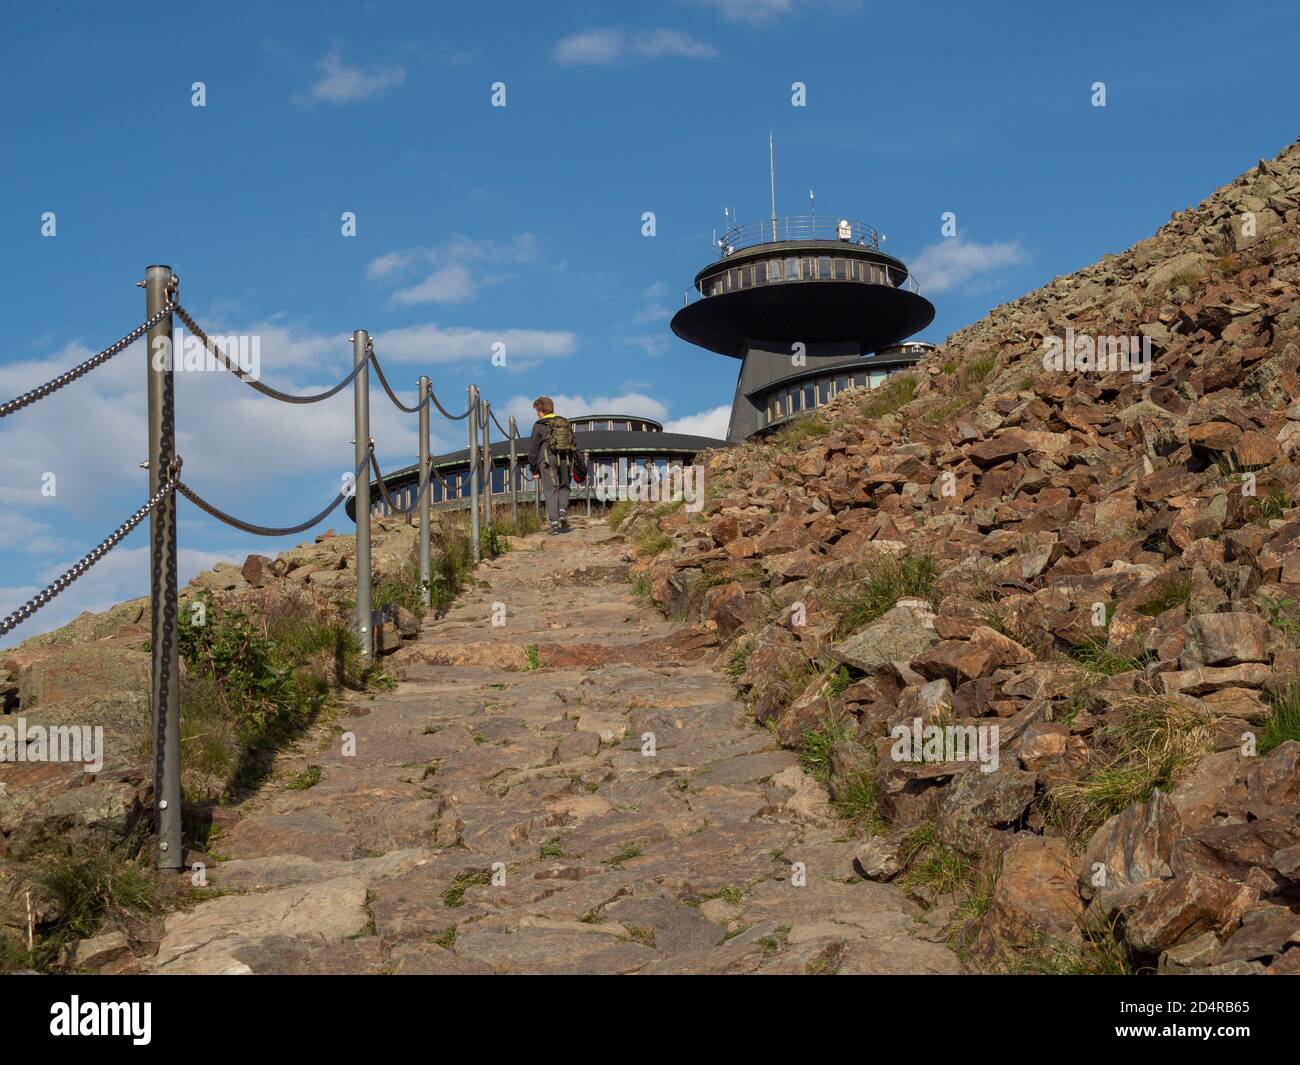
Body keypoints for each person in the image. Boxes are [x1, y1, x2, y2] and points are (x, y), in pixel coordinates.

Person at [525, 396, 587, 533]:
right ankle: (562, 512)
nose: (537, 414)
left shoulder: (539, 425)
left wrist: (534, 469)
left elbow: (533, 449)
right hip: (566, 458)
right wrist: (580, 463)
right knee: (564, 486)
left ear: (540, 410)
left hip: (547, 459)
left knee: (550, 489)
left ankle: (554, 522)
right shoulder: (564, 422)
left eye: (537, 411)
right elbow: (575, 445)